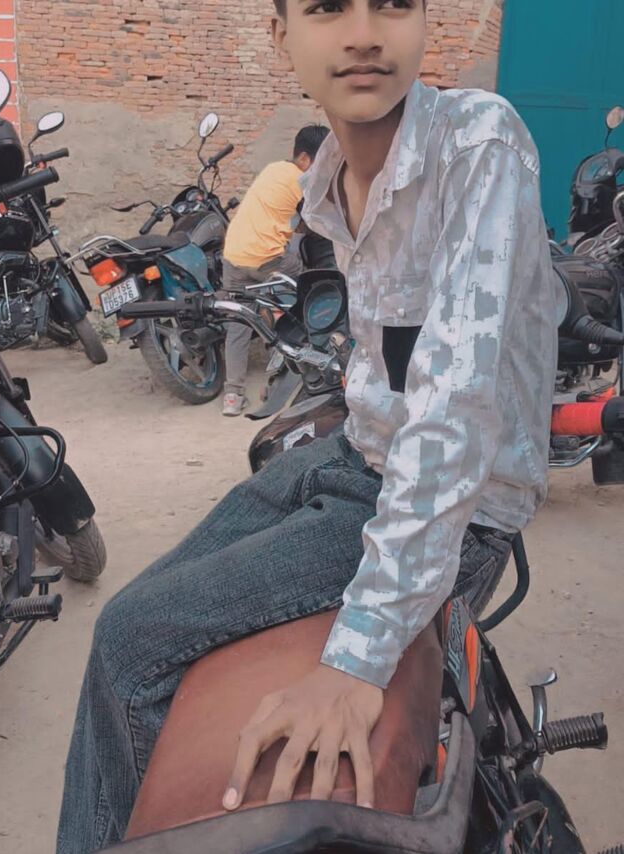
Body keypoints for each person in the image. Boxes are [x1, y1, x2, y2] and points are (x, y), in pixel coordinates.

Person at [56, 1, 558, 850]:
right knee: (142, 603)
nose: (363, 33)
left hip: (459, 502)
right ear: (281, 34)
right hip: (354, 454)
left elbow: (452, 410)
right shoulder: (324, 181)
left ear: (425, 22)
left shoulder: (478, 141)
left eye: (391, 3)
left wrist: (358, 661)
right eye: (327, 7)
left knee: (129, 643)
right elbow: (389, 356)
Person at [221, 124, 330, 415]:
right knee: (302, 298)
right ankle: (277, 382)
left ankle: (232, 395)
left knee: (238, 323)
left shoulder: (273, 170)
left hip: (233, 256)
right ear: (304, 158)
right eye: (321, 160)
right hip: (268, 260)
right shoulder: (302, 180)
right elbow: (317, 222)